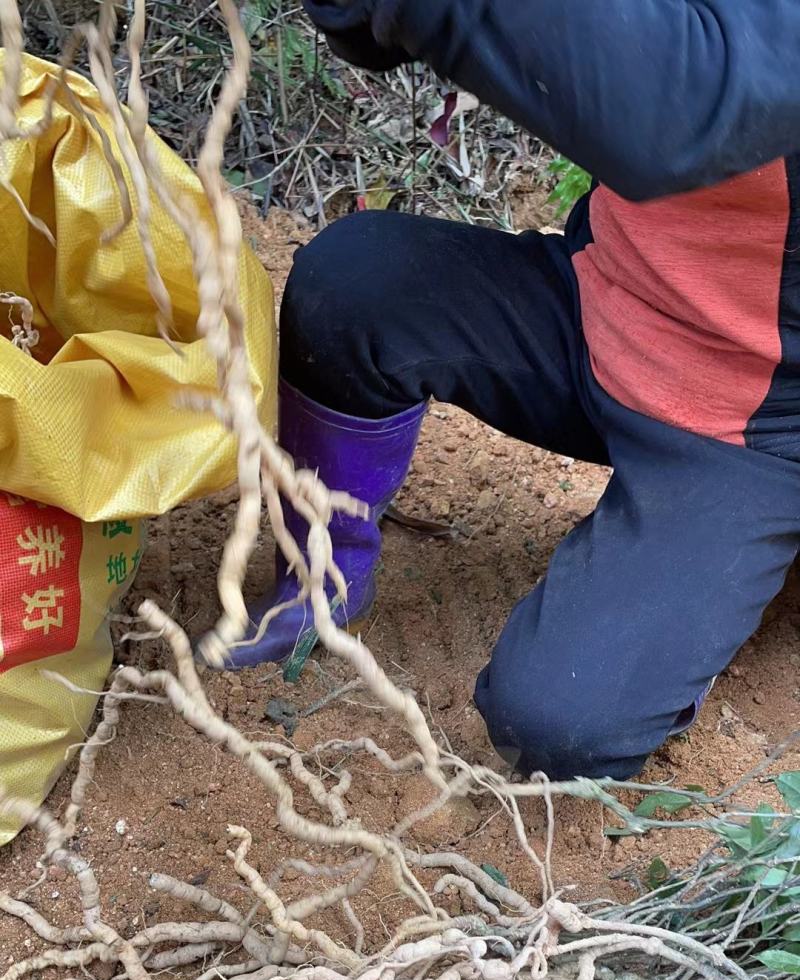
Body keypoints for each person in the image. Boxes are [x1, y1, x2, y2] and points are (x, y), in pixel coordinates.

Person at [227, 0, 800, 782]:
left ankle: (715, 589)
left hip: (759, 428)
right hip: (606, 302)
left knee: (559, 723)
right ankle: (319, 579)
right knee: (353, 289)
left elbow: (676, 104)